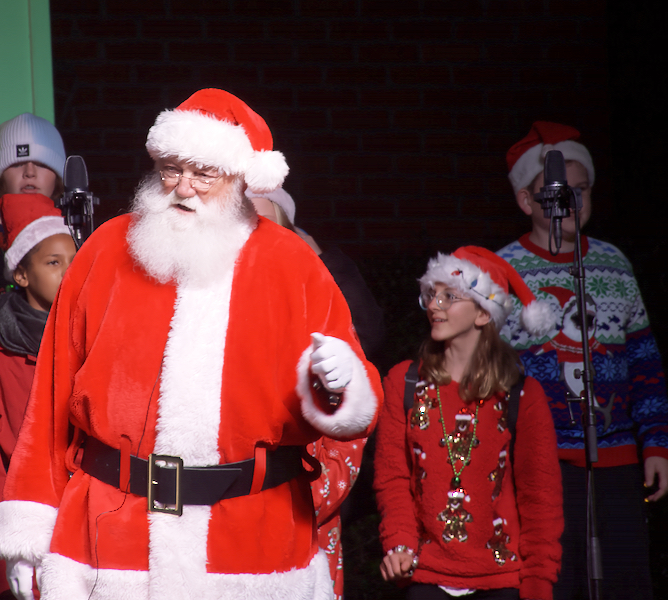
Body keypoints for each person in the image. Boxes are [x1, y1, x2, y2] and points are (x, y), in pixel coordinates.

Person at [0, 88, 383, 600]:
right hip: (114, 539)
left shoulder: (293, 263)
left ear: (241, 178)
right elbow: (50, 397)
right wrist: (30, 531)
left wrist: (342, 382)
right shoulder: (106, 250)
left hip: (252, 544)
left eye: (204, 173)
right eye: (171, 169)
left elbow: (354, 399)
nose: (184, 188)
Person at [497, 121, 668, 600]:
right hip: (540, 463)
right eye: (557, 191)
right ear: (526, 202)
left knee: (622, 579)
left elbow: (644, 362)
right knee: (555, 578)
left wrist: (656, 443)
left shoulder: (613, 263)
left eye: (581, 189)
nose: (572, 200)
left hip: (615, 458)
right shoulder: (504, 270)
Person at [374, 246, 563, 600]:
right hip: (426, 573)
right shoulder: (404, 382)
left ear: (483, 314)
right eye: (431, 295)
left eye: (450, 296)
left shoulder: (522, 394)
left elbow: (541, 496)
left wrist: (539, 581)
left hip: (502, 577)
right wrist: (399, 543)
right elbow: (393, 477)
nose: (434, 305)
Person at [247, 186, 384, 598]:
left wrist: (276, 504)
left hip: (295, 524)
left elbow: (345, 439)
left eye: (261, 223)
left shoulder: (318, 317)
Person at [0, 193, 75, 600]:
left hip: (82, 540)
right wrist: (4, 556)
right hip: (16, 545)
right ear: (21, 275)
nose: (69, 273)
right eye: (53, 263)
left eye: (75, 261)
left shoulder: (95, 344)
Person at [0, 113, 67, 313]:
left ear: (58, 176)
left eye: (42, 164)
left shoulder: (77, 241)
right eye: (16, 163)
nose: (30, 172)